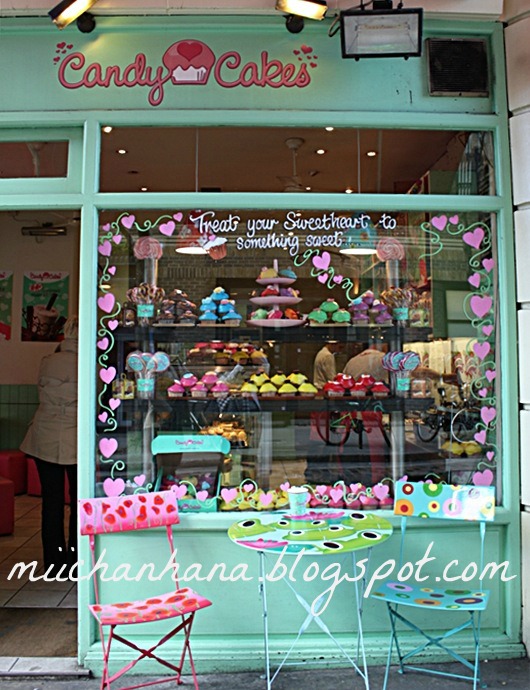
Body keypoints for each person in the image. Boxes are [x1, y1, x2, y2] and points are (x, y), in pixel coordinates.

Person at [20, 315, 78, 578]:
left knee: (51, 503)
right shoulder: (90, 363)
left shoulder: (48, 361)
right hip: (76, 437)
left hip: (44, 436)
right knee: (79, 503)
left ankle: (55, 565)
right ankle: (77, 561)